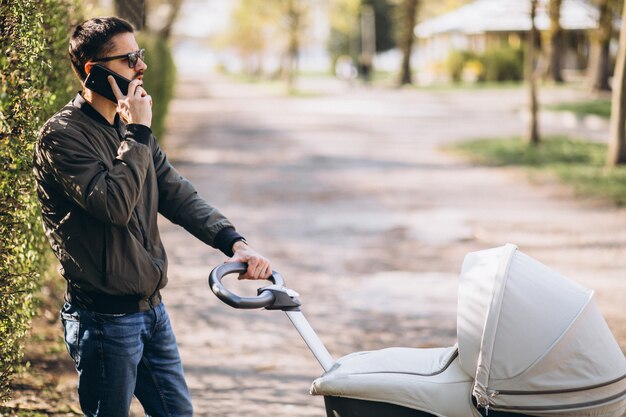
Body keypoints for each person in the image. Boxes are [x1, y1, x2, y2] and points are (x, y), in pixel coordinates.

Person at [33, 16, 272, 417]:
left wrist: (234, 242)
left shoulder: (130, 130)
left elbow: (177, 193)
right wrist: (138, 133)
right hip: (105, 320)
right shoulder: (62, 136)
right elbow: (113, 205)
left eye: (140, 55)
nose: (141, 66)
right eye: (130, 59)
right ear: (94, 72)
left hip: (151, 311)